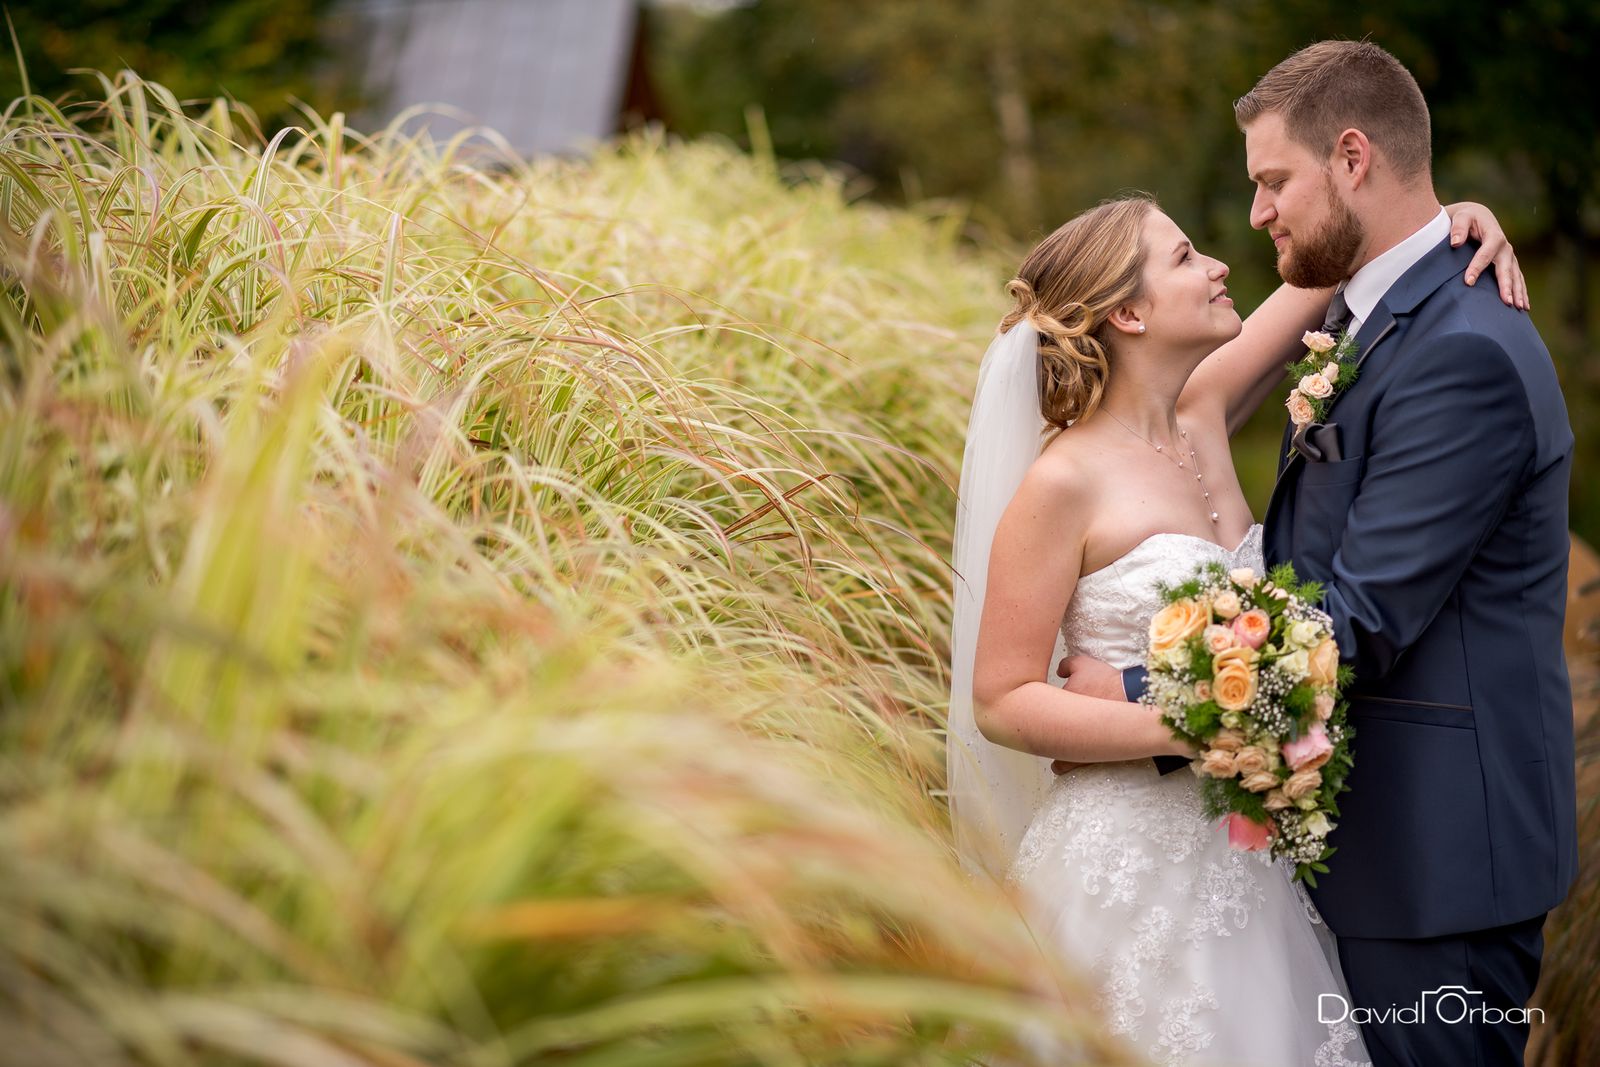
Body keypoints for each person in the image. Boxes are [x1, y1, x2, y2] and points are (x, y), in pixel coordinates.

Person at [1057, 42, 1576, 1067]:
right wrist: (1448, 216)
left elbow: (1358, 623)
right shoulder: (1375, 316)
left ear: (1349, 157)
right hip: (1356, 849)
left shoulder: (1458, 349)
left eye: (1270, 181)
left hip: (1437, 867)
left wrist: (1118, 689)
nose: (1253, 218)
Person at [946, 191, 1524, 1065]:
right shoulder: (1061, 483)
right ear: (1128, 313)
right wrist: (1195, 723)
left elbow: (1333, 262)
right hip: (1126, 863)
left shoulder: (1200, 415)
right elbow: (1001, 697)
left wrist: (1449, 216)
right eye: (1185, 257)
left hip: (1250, 860)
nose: (1219, 265)